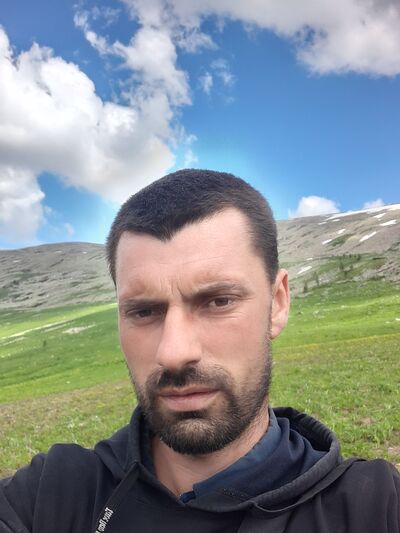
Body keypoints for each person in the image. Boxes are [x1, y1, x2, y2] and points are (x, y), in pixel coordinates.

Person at [0, 169, 399, 533]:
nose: (174, 352)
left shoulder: (374, 507)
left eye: (218, 301)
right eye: (144, 311)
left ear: (277, 303)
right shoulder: (52, 492)